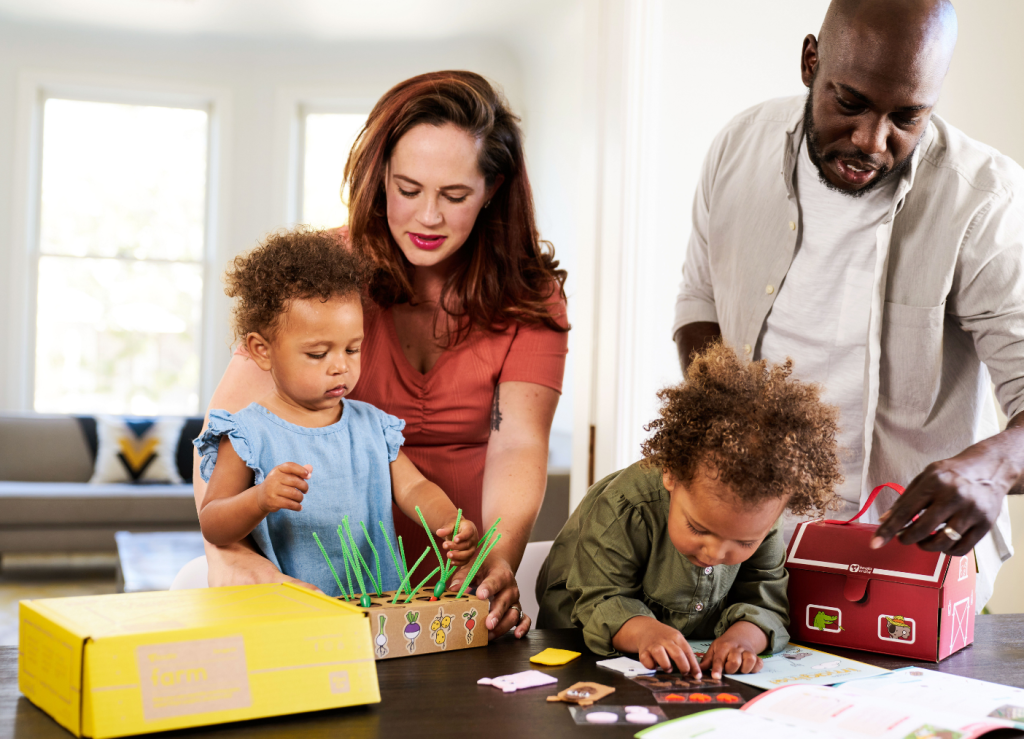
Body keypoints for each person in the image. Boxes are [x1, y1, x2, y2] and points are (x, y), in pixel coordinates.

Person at [674, 0, 1024, 608]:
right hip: (749, 552)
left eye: (906, 118)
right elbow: (700, 310)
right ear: (812, 61)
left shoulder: (986, 202)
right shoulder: (739, 147)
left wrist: (993, 465)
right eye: (851, 102)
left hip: (914, 560)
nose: (872, 141)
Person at [195, 71, 568, 638]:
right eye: (408, 189)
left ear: (491, 190)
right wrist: (232, 556)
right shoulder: (319, 277)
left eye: (455, 195)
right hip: (313, 582)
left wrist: (495, 557)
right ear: (380, 179)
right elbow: (231, 432)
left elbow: (518, 442)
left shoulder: (531, 296)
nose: (427, 217)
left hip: (448, 586)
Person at [193, 229, 478, 596]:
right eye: (318, 354)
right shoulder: (247, 433)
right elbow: (213, 523)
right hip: (287, 612)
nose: (340, 366)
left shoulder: (372, 426)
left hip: (374, 614)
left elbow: (414, 487)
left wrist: (449, 522)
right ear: (262, 350)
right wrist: (260, 498)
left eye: (352, 349)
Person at [536, 343, 842, 679]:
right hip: (577, 651)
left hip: (681, 663)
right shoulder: (626, 506)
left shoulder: (762, 518)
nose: (715, 553)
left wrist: (742, 639)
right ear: (671, 474)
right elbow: (599, 600)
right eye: (698, 529)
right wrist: (646, 633)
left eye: (743, 543)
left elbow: (766, 601)